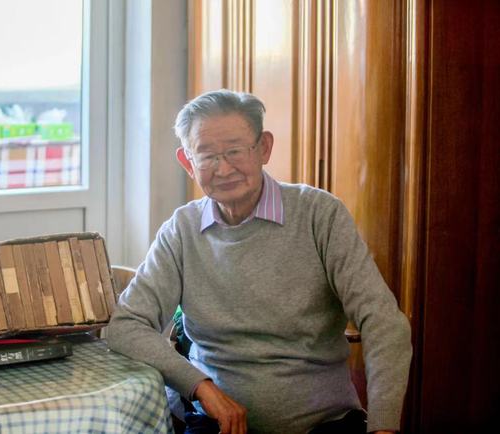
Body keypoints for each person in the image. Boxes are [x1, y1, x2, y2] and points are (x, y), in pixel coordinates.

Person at [106, 89, 412, 434]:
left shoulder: (319, 215)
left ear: (264, 147)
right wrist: (201, 388)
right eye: (207, 156)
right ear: (188, 162)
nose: (224, 168)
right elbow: (125, 326)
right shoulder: (181, 229)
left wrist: (384, 426)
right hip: (215, 424)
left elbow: (384, 322)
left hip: (325, 423)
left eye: (235, 151)